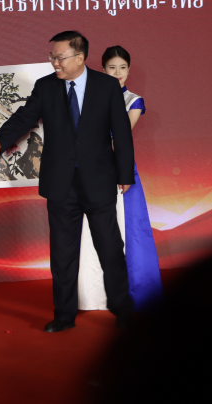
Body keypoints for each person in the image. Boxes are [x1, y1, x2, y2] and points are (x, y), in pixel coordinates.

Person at [0, 31, 135, 332]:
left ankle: (122, 308)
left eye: (60, 57)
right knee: (63, 254)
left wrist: (124, 174)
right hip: (61, 184)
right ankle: (64, 316)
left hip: (99, 181)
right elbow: (24, 117)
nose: (54, 62)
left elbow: (121, 131)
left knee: (110, 248)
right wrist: (0, 141)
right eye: (52, 57)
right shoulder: (46, 86)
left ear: (80, 58)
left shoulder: (106, 86)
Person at [78, 46, 163, 311]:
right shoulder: (88, 98)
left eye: (123, 68)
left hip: (118, 170)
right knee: (91, 229)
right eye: (112, 68)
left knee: (128, 229)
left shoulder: (133, 100)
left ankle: (132, 291)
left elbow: (120, 138)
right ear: (102, 69)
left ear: (129, 69)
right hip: (90, 170)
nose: (118, 73)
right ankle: (92, 296)